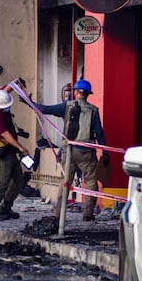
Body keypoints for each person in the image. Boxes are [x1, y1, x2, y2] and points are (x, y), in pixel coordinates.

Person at [33, 79, 107, 222]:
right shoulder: (93, 111)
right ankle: (87, 214)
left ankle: (58, 215)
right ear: (87, 94)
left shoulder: (66, 107)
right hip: (87, 151)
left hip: (69, 151)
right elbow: (100, 133)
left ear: (76, 92)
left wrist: (30, 103)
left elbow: (45, 109)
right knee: (91, 182)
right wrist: (105, 152)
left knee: (65, 182)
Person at [0, 88, 30, 221]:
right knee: (2, 182)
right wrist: (20, 147)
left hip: (11, 152)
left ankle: (6, 207)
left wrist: (14, 84)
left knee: (18, 180)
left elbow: (3, 94)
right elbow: (5, 134)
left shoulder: (0, 109)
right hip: (4, 153)